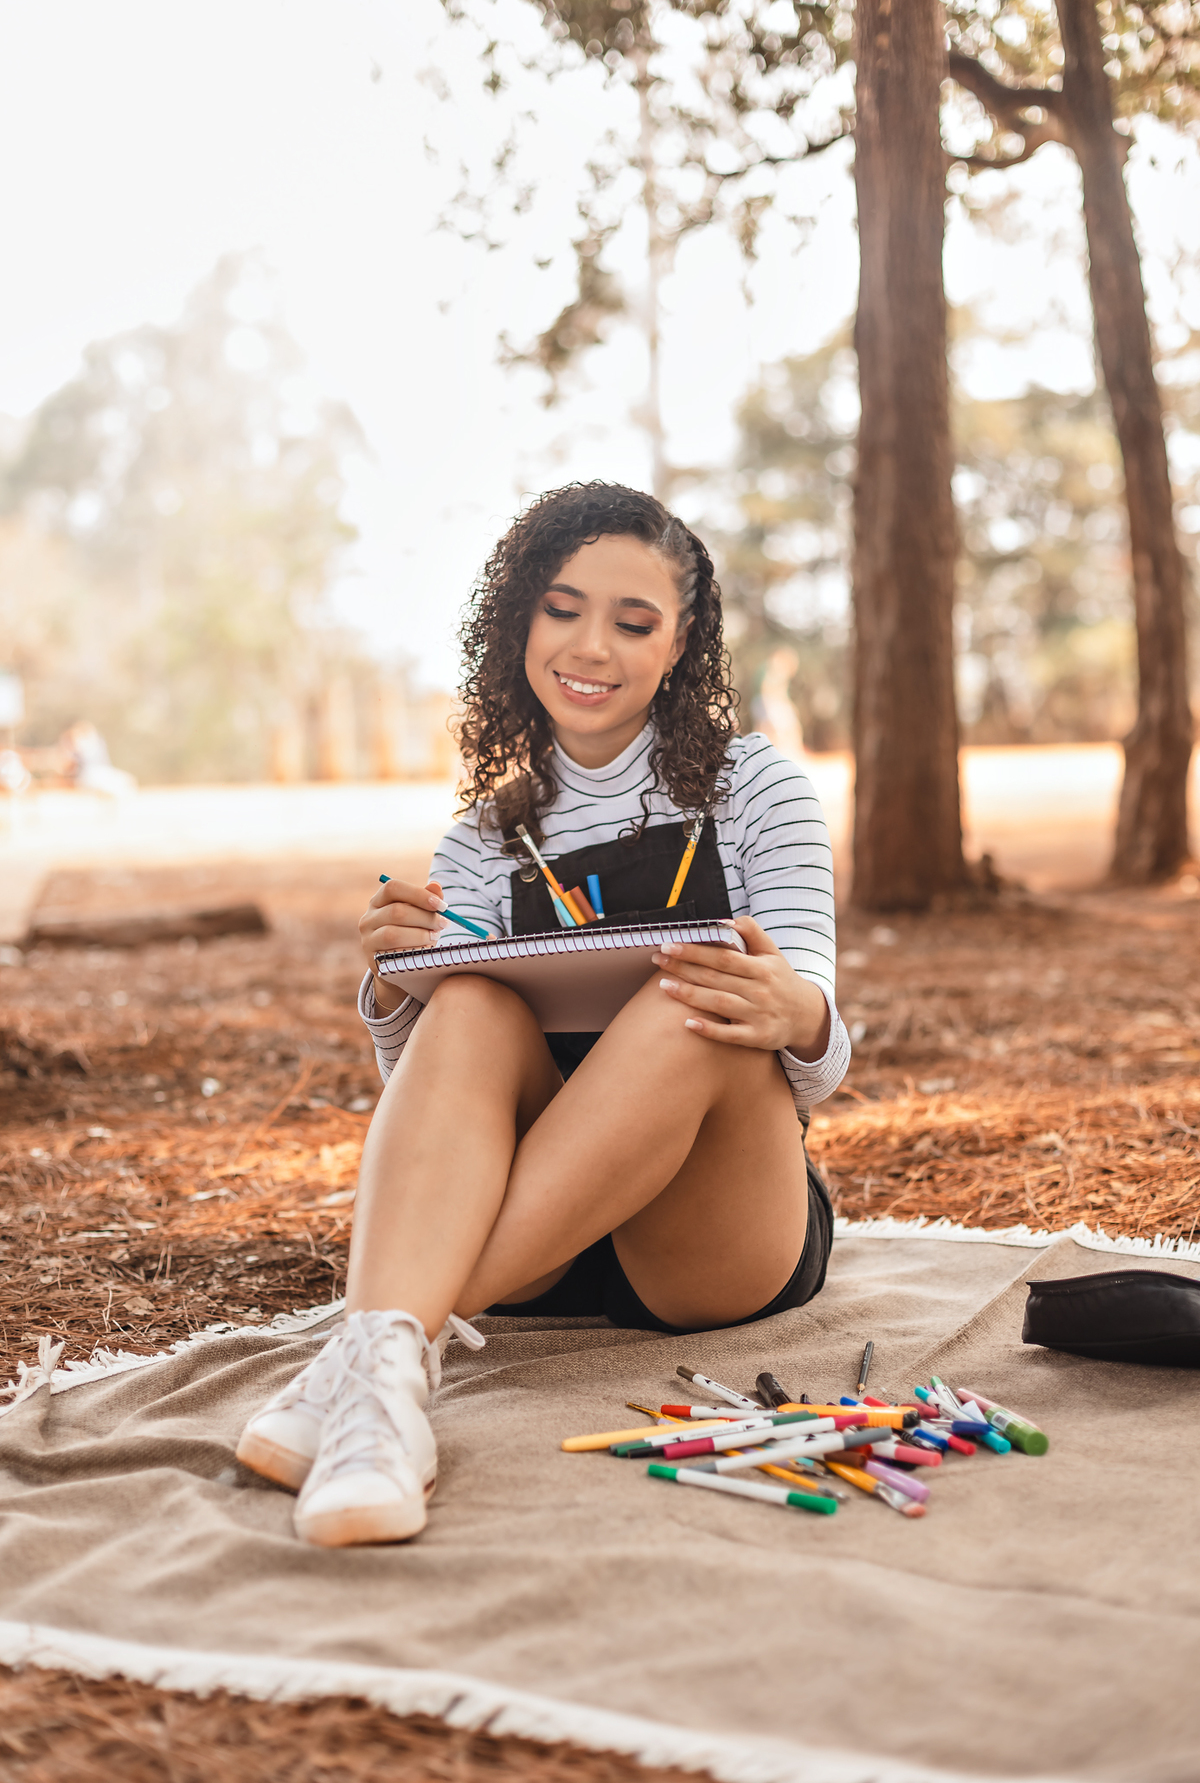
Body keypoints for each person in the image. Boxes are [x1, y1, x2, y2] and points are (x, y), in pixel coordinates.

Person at [237, 482, 850, 1548]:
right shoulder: (482, 835)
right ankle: (384, 1392)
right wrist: (392, 991)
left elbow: (817, 1055)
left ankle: (370, 1343)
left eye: (633, 620)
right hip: (537, 1245)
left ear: (681, 641)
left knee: (688, 991)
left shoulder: (756, 786)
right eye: (563, 608)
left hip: (707, 1235)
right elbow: (429, 1099)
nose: (592, 646)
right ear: (520, 617)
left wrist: (792, 1007)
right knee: (468, 995)